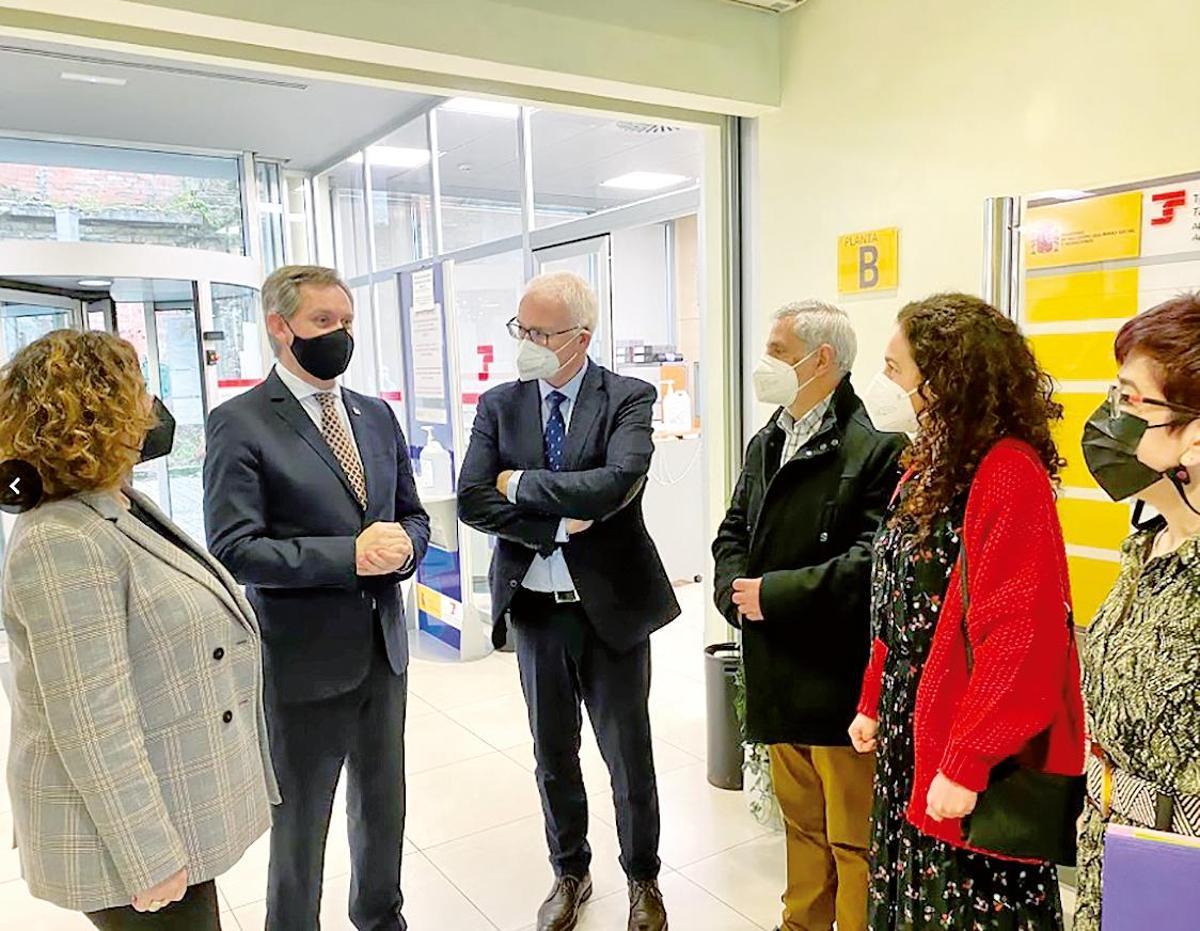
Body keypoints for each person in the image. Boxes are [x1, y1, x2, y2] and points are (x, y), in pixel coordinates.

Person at [0, 330, 278, 930]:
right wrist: (148, 856)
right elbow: (91, 721)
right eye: (142, 390)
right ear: (97, 411)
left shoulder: (114, 502)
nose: (153, 408)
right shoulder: (60, 540)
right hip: (123, 845)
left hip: (172, 802)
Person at [849, 293, 1086, 931]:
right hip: (913, 720)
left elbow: (1023, 637)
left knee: (961, 900)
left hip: (967, 734)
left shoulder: (1007, 473)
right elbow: (894, 596)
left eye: (896, 369)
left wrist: (968, 759)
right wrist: (874, 696)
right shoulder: (925, 463)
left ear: (946, 381)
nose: (884, 384)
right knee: (909, 896)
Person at [203, 265, 430, 931]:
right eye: (323, 322)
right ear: (280, 327)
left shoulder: (375, 413)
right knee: (302, 820)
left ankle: (381, 916)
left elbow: (411, 515)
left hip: (384, 653)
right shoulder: (240, 423)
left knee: (383, 804)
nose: (340, 335)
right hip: (302, 662)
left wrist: (409, 547)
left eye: (347, 321)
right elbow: (235, 546)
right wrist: (349, 555)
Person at [457, 271, 679, 931]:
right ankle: (570, 871)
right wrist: (554, 522)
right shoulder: (500, 404)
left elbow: (615, 484)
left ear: (580, 337)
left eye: (539, 332)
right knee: (552, 752)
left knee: (626, 751)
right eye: (519, 329)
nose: (525, 343)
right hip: (534, 608)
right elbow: (472, 497)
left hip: (609, 607)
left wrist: (520, 481)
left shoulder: (629, 397)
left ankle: (644, 877)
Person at [712, 301, 906, 931]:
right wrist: (732, 595)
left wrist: (775, 596)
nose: (765, 363)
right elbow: (733, 532)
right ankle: (801, 924)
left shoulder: (877, 448)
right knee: (801, 826)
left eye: (777, 349)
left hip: (837, 679)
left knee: (852, 838)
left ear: (822, 360)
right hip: (775, 665)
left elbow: (871, 563)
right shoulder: (767, 441)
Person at [1073, 294, 1200, 931]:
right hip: (1114, 855)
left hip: (1179, 880)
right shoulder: (1151, 543)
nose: (1114, 416)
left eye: (1131, 399)